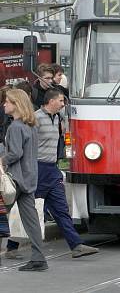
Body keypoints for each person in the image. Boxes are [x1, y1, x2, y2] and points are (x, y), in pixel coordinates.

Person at [8, 89, 98, 258]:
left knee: (60, 207)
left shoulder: (57, 118)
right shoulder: (35, 119)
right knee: (26, 206)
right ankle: (12, 245)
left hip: (51, 168)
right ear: (50, 101)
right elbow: (27, 143)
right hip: (37, 167)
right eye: (60, 101)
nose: (63, 104)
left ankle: (76, 245)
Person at [1, 89, 47, 271]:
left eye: (7, 102)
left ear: (16, 104)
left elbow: (15, 153)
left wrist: (1, 160)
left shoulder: (15, 127)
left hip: (14, 179)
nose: (4, 104)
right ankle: (39, 258)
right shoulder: (31, 126)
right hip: (28, 178)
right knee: (31, 220)